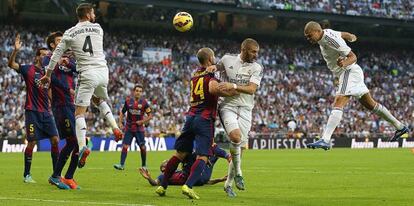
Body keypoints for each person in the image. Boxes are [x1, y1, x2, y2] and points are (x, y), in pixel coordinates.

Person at [39, 3, 123, 168]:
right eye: (93, 12)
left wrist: (48, 73)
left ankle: (83, 146)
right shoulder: (98, 28)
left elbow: (56, 54)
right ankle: (115, 127)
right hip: (103, 72)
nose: (94, 15)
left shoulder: (70, 32)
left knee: (79, 113)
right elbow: (88, 45)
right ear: (88, 13)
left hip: (87, 73)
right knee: (98, 100)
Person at [303, 21, 409, 150]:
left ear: (318, 31)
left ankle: (325, 139)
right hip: (349, 72)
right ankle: (400, 127)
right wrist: (352, 37)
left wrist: (344, 63)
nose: (308, 39)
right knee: (371, 104)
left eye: (309, 36)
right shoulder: (328, 33)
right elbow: (343, 34)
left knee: (338, 101)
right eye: (307, 37)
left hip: (348, 71)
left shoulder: (330, 39)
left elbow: (353, 57)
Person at [155, 48, 238, 200]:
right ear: (209, 59)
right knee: (203, 156)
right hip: (204, 119)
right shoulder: (210, 74)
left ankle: (163, 185)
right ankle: (189, 185)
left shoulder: (195, 75)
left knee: (179, 154)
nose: (215, 59)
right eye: (213, 57)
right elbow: (213, 89)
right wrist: (232, 92)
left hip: (190, 117)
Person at [209, 38, 263, 197]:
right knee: (235, 137)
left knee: (240, 148)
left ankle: (228, 184)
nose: (256, 55)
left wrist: (232, 86)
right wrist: (211, 67)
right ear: (244, 49)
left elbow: (252, 89)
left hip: (246, 109)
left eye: (257, 52)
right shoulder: (227, 59)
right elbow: (215, 68)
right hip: (227, 106)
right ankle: (239, 172)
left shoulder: (257, 67)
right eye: (253, 51)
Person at [7, 34, 60, 184]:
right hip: (32, 112)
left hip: (47, 113)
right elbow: (11, 65)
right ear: (37, 57)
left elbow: (49, 91)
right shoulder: (28, 69)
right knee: (31, 143)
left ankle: (56, 175)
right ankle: (27, 175)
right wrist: (15, 51)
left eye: (47, 56)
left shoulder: (48, 73)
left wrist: (55, 104)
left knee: (55, 140)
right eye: (43, 55)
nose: (45, 58)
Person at [43, 31, 81, 189]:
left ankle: (69, 177)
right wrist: (69, 89)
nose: (63, 42)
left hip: (71, 105)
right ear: (52, 45)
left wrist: (68, 63)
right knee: (73, 140)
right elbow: (51, 78)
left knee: (79, 143)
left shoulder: (67, 60)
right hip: (60, 105)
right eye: (59, 41)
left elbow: (79, 70)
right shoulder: (48, 59)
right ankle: (55, 176)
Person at [140, 144, 230, 186]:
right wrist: (149, 178)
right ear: (164, 168)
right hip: (198, 177)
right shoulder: (163, 176)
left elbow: (206, 182)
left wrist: (220, 179)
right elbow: (155, 183)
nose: (168, 160)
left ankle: (217, 156)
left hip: (201, 177)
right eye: (166, 162)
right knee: (207, 151)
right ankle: (227, 156)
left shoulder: (179, 170)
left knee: (213, 156)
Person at [114, 84, 153, 171]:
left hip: (139, 129)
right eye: (137, 91)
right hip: (129, 128)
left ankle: (144, 165)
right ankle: (121, 165)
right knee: (125, 146)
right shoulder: (128, 101)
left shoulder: (144, 103)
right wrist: (120, 122)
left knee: (142, 147)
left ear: (141, 93)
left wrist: (142, 122)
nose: (138, 93)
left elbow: (150, 115)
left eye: (140, 91)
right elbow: (122, 112)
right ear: (133, 92)